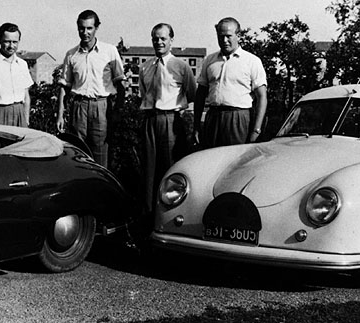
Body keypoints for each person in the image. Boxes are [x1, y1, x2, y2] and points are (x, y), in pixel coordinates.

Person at [56, 9, 126, 167]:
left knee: (100, 152)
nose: (85, 32)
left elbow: (121, 85)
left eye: (89, 28)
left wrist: (117, 111)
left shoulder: (109, 51)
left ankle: (100, 189)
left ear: (96, 28)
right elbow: (64, 87)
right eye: (82, 28)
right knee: (78, 151)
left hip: (101, 107)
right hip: (78, 107)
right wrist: (60, 115)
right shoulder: (71, 54)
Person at [139, 23, 196, 211]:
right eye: (155, 38)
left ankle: (171, 212)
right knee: (148, 170)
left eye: (163, 38)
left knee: (170, 168)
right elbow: (143, 94)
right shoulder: (145, 67)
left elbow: (192, 93)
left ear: (172, 40)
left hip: (171, 121)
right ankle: (148, 214)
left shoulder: (181, 66)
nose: (159, 42)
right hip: (150, 121)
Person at [194, 17, 267, 148]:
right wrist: (196, 125)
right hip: (213, 118)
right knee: (211, 160)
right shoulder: (209, 60)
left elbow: (262, 97)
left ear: (238, 35)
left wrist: (256, 129)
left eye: (229, 36)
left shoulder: (251, 61)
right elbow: (200, 95)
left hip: (238, 119)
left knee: (237, 162)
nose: (224, 41)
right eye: (220, 36)